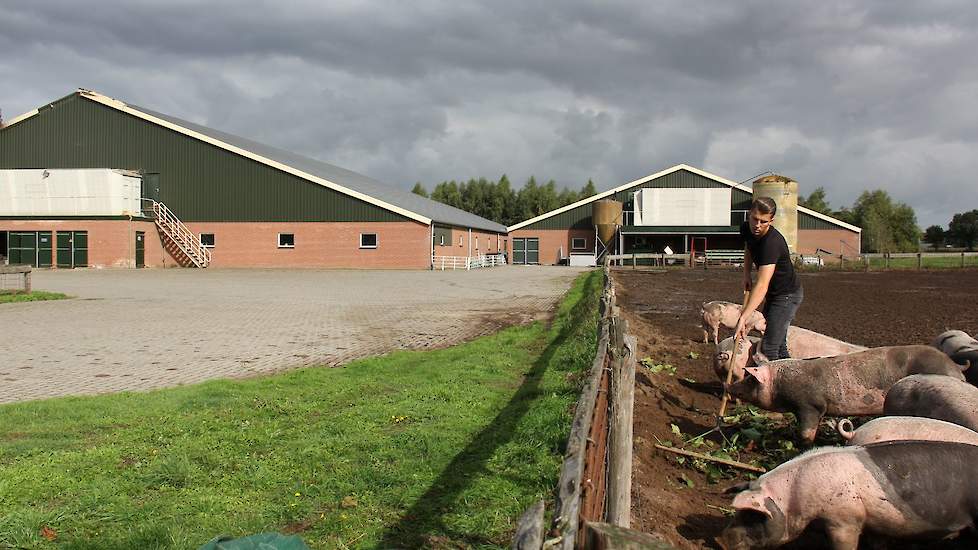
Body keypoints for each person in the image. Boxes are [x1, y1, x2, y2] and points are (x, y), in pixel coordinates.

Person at [734, 197, 803, 360]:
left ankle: (774, 384)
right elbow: (749, 248)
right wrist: (746, 274)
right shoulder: (746, 228)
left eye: (763, 222)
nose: (757, 225)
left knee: (769, 348)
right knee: (778, 344)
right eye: (755, 219)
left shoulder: (772, 243)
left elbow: (763, 284)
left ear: (771, 221)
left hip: (787, 295)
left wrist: (743, 317)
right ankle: (787, 377)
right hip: (774, 294)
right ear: (749, 214)